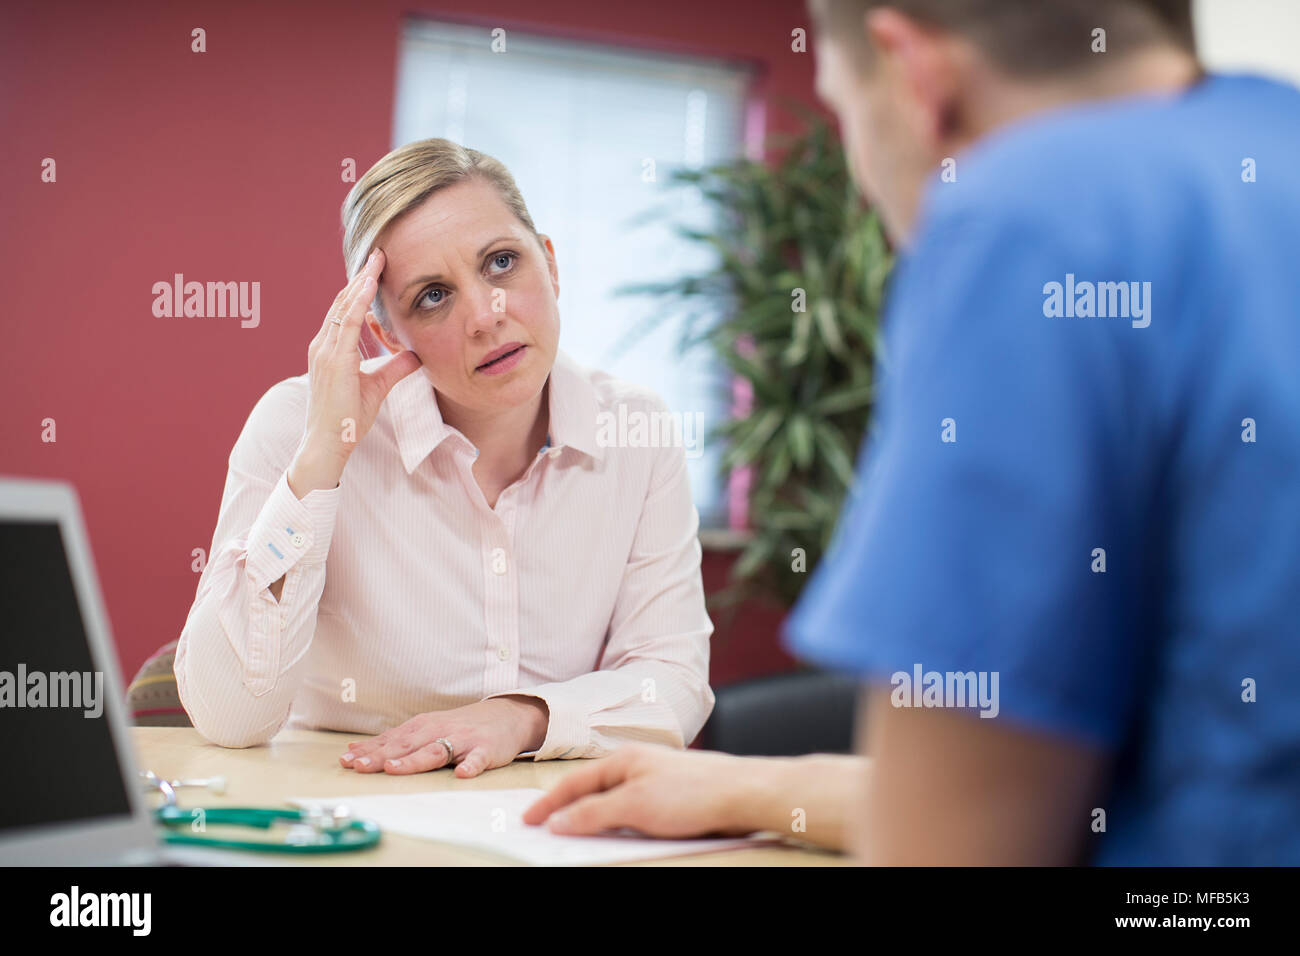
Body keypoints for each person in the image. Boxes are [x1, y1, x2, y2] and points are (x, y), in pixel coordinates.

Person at [525, 0, 1300, 864]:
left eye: (843, 104)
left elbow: (957, 848)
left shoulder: (1027, 217)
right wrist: (755, 788)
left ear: (913, 76)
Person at [174, 139, 714, 778]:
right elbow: (230, 717)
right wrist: (324, 454)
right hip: (345, 809)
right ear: (384, 334)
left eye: (503, 262)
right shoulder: (298, 424)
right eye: (433, 295)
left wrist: (522, 717)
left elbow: (673, 681)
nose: (486, 317)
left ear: (550, 263)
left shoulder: (638, 430)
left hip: (539, 820)